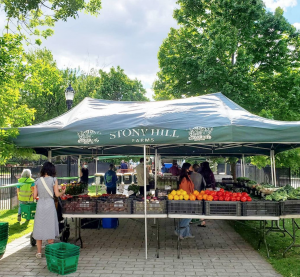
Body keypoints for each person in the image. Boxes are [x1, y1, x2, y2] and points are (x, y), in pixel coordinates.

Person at [33, 162, 65, 259]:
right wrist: (63, 191)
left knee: (39, 227)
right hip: (50, 206)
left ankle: (39, 252)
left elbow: (34, 196)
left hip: (40, 206)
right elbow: (56, 194)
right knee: (50, 226)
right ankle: (50, 252)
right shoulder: (54, 180)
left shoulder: (37, 181)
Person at [174, 163, 195, 239]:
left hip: (189, 199)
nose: (192, 169)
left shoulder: (187, 177)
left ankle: (186, 233)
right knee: (188, 217)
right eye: (191, 168)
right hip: (186, 200)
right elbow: (184, 191)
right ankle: (178, 231)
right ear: (187, 169)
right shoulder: (184, 179)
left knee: (187, 217)